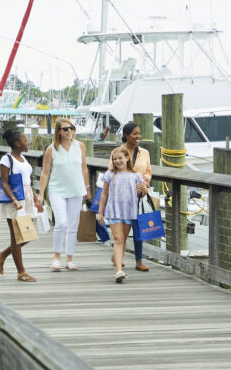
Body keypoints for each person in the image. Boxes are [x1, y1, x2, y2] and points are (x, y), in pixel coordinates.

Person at [37, 117, 90, 271]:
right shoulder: (51, 149)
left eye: (72, 128)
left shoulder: (80, 146)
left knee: (73, 225)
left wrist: (87, 188)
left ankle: (70, 258)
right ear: (58, 132)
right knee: (61, 222)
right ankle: (56, 257)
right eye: (65, 129)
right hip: (57, 190)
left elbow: (84, 168)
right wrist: (41, 194)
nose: (69, 131)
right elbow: (45, 173)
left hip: (76, 190)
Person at [0, 128, 44, 283]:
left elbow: (27, 182)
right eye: (25, 140)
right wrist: (14, 199)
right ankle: (21, 272)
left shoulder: (23, 158)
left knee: (28, 234)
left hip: (26, 197)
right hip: (14, 200)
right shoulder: (7, 159)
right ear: (17, 144)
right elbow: (4, 181)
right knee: (17, 236)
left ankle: (2, 255)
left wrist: (36, 200)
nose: (28, 142)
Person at [96, 147, 143, 284]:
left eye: (120, 158)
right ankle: (118, 271)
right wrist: (100, 212)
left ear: (127, 158)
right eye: (114, 159)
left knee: (123, 240)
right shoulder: (110, 174)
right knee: (118, 239)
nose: (117, 161)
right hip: (114, 209)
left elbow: (141, 193)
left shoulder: (135, 175)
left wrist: (143, 190)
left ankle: (117, 260)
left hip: (129, 210)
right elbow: (104, 194)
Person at [120, 121, 154, 272]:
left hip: (140, 195)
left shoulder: (144, 152)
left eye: (139, 133)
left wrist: (145, 185)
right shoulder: (119, 152)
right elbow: (114, 171)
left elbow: (148, 171)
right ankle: (118, 256)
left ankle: (139, 261)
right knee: (123, 229)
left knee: (138, 228)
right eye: (134, 134)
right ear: (126, 135)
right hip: (124, 196)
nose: (138, 136)